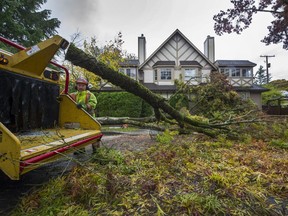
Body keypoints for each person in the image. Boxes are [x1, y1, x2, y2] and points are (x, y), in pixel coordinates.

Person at [70, 77, 99, 153]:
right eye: (79, 85)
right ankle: (80, 149)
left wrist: (85, 106)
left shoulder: (90, 95)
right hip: (77, 119)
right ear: (76, 86)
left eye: (83, 85)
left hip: (90, 118)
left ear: (86, 86)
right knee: (78, 134)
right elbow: (67, 101)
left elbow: (93, 103)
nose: (81, 87)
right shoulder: (73, 95)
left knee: (93, 134)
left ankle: (96, 150)